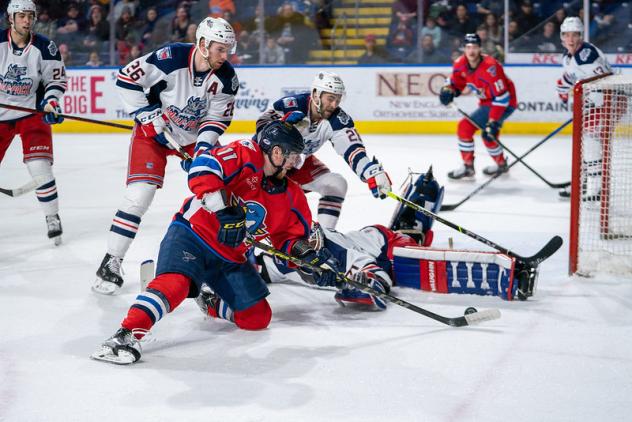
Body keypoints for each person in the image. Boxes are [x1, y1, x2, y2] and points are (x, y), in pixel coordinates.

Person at [91, 121, 330, 365]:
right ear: (277, 152)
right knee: (176, 285)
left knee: (257, 318)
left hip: (229, 258)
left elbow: (287, 239)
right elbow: (201, 169)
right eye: (292, 156)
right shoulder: (246, 153)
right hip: (192, 236)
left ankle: (208, 300)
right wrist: (224, 211)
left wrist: (305, 255)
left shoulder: (292, 195)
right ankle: (124, 335)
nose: (295, 163)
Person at [93, 17, 239, 295]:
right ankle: (111, 260)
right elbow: (126, 77)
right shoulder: (170, 57)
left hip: (195, 138)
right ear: (204, 44)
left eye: (228, 50)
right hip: (154, 133)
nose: (226, 56)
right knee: (139, 195)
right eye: (220, 49)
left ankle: (219, 260)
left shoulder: (227, 78)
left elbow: (216, 119)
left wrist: (204, 149)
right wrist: (147, 114)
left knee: (218, 197)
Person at [258, 169, 443, 310]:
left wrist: (369, 282)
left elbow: (371, 268)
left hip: (382, 243)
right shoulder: (285, 260)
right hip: (362, 243)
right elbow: (259, 267)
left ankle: (374, 278)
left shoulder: (337, 248)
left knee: (405, 247)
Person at [256, 71, 392, 229]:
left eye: (338, 100)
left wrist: (370, 171)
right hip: (265, 162)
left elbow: (352, 148)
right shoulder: (290, 104)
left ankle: (326, 235)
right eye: (330, 98)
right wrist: (282, 125)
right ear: (315, 94)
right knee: (261, 203)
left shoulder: (338, 119)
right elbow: (260, 127)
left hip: (297, 163)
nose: (334, 105)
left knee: (336, 184)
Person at [0, 0, 66, 245]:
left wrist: (51, 102)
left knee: (39, 167)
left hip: (31, 112)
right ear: (11, 18)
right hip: (0, 114)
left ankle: (52, 217)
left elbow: (55, 81)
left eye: (30, 16)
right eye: (22, 16)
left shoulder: (45, 47)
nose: (27, 20)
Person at [439, 33, 517, 179]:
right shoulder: (460, 64)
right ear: (464, 49)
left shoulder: (491, 67)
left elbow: (502, 98)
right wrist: (448, 90)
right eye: (468, 47)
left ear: (480, 48)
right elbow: (456, 83)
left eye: (475, 47)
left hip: (505, 102)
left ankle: (474, 166)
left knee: (472, 129)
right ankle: (498, 164)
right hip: (488, 102)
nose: (471, 51)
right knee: (483, 134)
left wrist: (492, 122)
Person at [555, 17, 613, 199]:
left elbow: (605, 82)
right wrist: (562, 89)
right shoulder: (568, 56)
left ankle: (595, 189)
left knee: (590, 140)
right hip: (593, 104)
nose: (570, 39)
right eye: (567, 35)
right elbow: (570, 76)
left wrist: (590, 100)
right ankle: (582, 183)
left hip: (606, 102)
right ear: (562, 37)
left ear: (581, 36)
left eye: (575, 35)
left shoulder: (587, 56)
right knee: (582, 145)